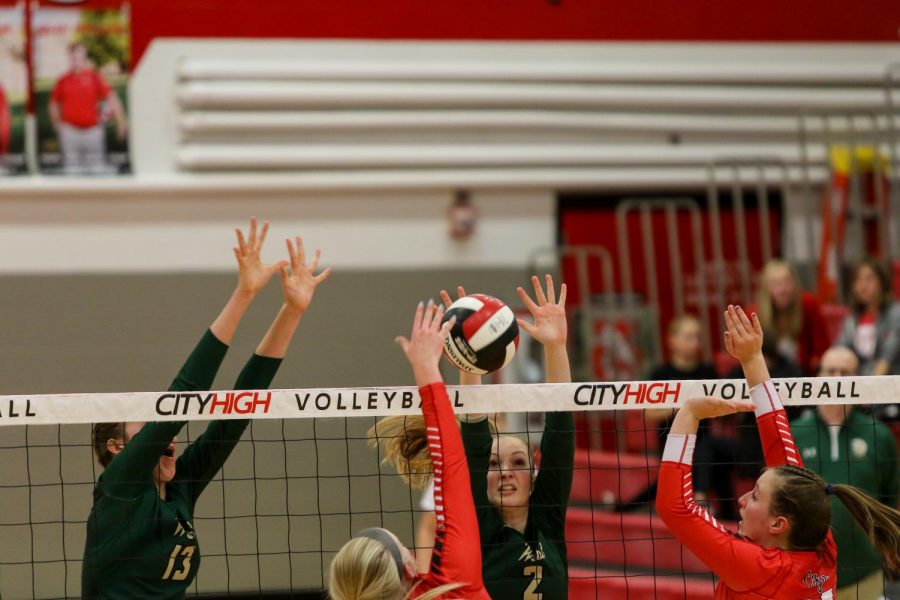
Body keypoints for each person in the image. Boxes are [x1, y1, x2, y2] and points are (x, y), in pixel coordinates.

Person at [82, 218, 331, 599]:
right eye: (148, 422)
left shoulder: (180, 487)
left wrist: (291, 311)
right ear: (117, 447)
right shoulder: (120, 487)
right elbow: (184, 395)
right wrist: (244, 295)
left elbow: (237, 413)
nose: (167, 432)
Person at [657, 305, 900, 598]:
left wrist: (688, 414)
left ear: (778, 524)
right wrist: (752, 358)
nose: (742, 499)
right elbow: (782, 456)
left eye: (756, 495)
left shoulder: (764, 567)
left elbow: (676, 508)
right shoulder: (819, 547)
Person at [329, 300, 490, 600]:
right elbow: (450, 467)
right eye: (402, 545)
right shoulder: (453, 585)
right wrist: (426, 367)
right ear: (407, 568)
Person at [454, 275, 574, 599]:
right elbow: (474, 435)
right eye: (494, 464)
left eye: (518, 462)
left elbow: (561, 431)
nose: (505, 471)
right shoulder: (480, 531)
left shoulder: (547, 521)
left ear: (534, 476)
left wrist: (555, 345)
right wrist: (471, 353)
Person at [791, 346, 899, 599]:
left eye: (845, 372)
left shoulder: (879, 434)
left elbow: (890, 498)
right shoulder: (794, 432)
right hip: (806, 576)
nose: (837, 378)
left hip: (866, 574)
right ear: (817, 376)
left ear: (857, 379)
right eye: (831, 370)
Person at [618, 314, 722, 514]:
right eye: (689, 337)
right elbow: (651, 413)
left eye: (698, 337)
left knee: (712, 457)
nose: (695, 342)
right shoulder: (661, 373)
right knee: (672, 481)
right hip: (671, 441)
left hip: (703, 441)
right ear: (672, 340)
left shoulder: (707, 371)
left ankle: (714, 509)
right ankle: (624, 509)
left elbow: (718, 408)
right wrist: (686, 407)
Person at [49, 42, 127, 174]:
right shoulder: (62, 80)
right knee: (72, 172)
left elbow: (112, 98)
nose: (76, 59)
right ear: (69, 57)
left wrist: (121, 122)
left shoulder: (94, 77)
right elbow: (53, 103)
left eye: (79, 55)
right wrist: (57, 124)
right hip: (70, 132)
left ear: (84, 56)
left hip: (93, 132)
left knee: (97, 171)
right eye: (73, 56)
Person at [755, 259, 830, 376]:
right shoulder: (754, 314)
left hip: (805, 374)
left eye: (787, 282)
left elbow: (822, 350)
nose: (783, 289)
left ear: (795, 284)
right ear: (766, 288)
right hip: (770, 376)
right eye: (776, 284)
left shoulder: (808, 305)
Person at [836, 256, 900, 378]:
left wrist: (868, 388)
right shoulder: (850, 320)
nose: (863, 285)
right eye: (857, 279)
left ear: (882, 282)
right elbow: (839, 349)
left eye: (869, 278)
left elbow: (888, 356)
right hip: (858, 382)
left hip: (891, 381)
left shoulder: (896, 313)